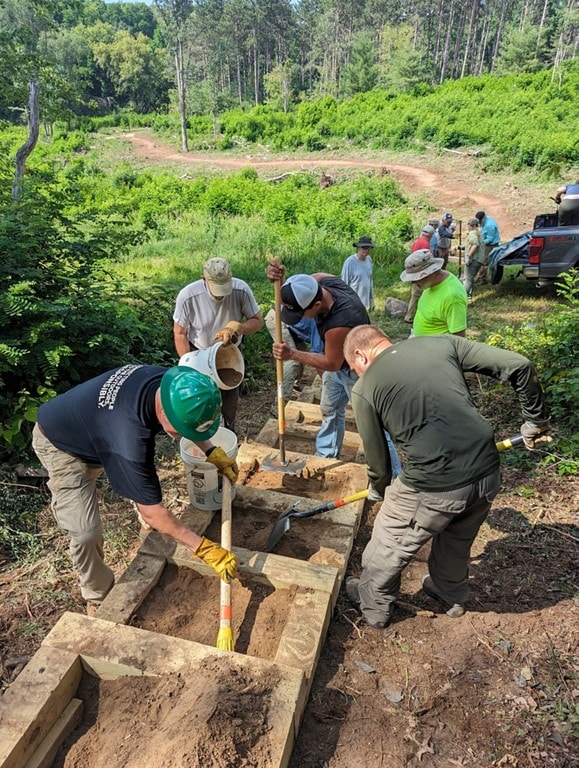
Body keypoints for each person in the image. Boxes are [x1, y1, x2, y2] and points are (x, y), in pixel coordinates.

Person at [343, 325, 550, 629]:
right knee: (457, 536)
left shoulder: (366, 387)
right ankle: (449, 592)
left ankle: (373, 607)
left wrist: (378, 489)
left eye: (353, 368)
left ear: (360, 354)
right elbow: (520, 365)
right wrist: (535, 419)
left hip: (434, 484)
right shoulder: (442, 344)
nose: (357, 375)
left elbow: (380, 464)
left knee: (387, 543)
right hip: (487, 471)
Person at [32, 365, 240, 615]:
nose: (183, 434)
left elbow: (188, 419)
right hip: (62, 446)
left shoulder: (175, 385)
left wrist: (210, 451)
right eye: (182, 430)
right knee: (86, 533)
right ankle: (98, 596)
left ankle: (148, 527)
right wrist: (204, 548)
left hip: (95, 426)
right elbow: (153, 511)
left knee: (140, 482)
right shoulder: (127, 441)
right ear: (165, 412)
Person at [266, 264, 401, 477]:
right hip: (339, 367)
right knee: (329, 410)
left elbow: (332, 363)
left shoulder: (340, 322)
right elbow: (304, 285)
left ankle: (394, 476)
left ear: (317, 304)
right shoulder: (321, 281)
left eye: (302, 313)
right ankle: (326, 454)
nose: (301, 318)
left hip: (356, 371)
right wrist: (284, 283)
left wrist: (292, 354)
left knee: (373, 426)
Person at [173, 257, 264, 433]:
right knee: (200, 397)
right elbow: (179, 333)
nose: (221, 294)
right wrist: (187, 363)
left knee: (230, 395)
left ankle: (229, 429)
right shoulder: (188, 296)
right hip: (199, 350)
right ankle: (201, 432)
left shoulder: (241, 290)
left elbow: (257, 321)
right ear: (203, 279)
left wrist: (239, 328)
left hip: (230, 351)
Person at [400, 249, 467, 337]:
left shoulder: (452, 297)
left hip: (436, 348)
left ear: (429, 273)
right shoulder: (431, 283)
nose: (414, 283)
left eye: (415, 279)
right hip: (420, 341)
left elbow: (459, 338)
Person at [264, 311, 322, 402]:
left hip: (294, 327)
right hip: (278, 318)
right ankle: (281, 403)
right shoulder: (321, 325)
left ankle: (291, 383)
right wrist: (328, 383)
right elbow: (319, 361)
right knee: (291, 360)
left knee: (302, 353)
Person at [404, 224, 436, 324]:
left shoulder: (416, 241)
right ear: (430, 235)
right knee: (416, 295)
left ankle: (413, 315)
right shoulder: (425, 244)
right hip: (420, 273)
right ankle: (410, 317)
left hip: (414, 271)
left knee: (415, 295)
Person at [340, 235, 376, 311]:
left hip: (364, 302)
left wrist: (371, 298)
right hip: (353, 302)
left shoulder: (369, 260)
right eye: (364, 248)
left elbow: (370, 279)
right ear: (358, 248)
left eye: (368, 248)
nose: (366, 250)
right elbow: (344, 284)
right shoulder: (350, 262)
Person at [462, 217, 486, 302]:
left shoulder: (472, 233)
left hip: (473, 259)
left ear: (470, 225)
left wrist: (468, 256)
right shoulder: (479, 233)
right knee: (471, 278)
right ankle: (469, 297)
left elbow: (475, 244)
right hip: (479, 260)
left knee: (467, 279)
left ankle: (464, 296)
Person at [474, 211, 500, 285]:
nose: (479, 223)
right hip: (485, 242)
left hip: (490, 245)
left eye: (479, 221)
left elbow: (490, 239)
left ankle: (483, 280)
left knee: (484, 262)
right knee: (481, 261)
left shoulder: (489, 225)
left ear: (483, 218)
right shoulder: (486, 220)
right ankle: (480, 277)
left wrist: (479, 243)